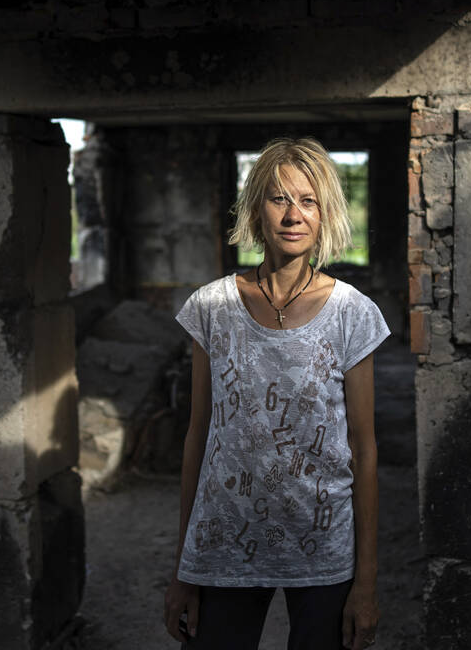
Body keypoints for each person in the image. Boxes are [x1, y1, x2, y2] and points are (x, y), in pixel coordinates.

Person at [163, 137, 389, 650]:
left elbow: (364, 448)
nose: (293, 215)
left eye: (308, 201)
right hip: (225, 543)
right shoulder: (212, 307)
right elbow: (199, 436)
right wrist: (185, 568)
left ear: (325, 212)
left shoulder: (353, 313)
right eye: (279, 198)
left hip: (325, 548)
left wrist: (368, 581)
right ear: (255, 209)